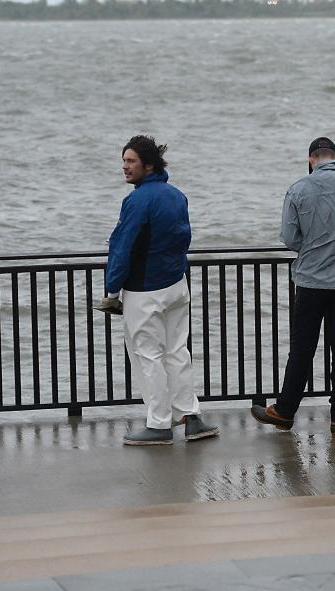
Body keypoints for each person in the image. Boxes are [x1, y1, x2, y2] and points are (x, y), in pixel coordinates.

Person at [251, 137, 335, 435]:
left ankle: (284, 410)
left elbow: (289, 238)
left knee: (302, 348)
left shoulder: (298, 189)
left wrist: (314, 248)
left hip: (310, 281)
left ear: (311, 160)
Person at [98, 135, 218, 446]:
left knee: (147, 355)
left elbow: (123, 246)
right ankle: (192, 418)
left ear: (148, 165)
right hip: (177, 284)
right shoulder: (176, 195)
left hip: (145, 290)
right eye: (124, 160)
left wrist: (112, 290)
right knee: (177, 351)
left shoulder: (137, 200)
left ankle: (159, 423)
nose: (125, 167)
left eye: (131, 161)